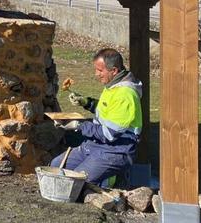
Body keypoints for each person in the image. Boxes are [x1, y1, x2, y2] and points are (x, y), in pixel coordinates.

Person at [50, 48, 143, 188]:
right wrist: (87, 103)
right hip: (95, 145)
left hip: (116, 150)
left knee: (76, 182)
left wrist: (78, 125)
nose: (96, 74)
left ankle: (110, 180)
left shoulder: (125, 94)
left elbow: (109, 134)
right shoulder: (112, 85)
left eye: (100, 70)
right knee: (55, 167)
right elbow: (108, 110)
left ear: (114, 70)